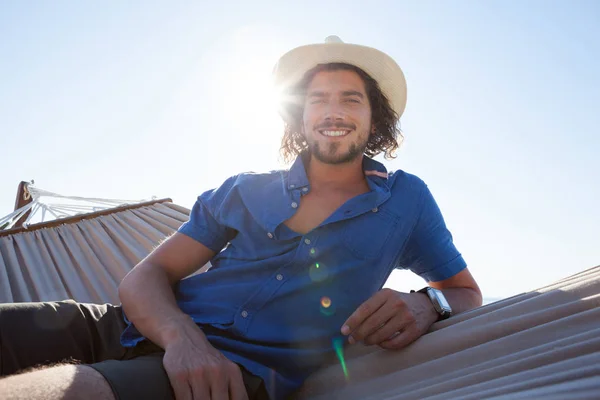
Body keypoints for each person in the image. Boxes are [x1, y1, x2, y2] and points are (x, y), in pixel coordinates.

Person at [0, 36, 482, 400]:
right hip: (117, 325)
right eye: (317, 99)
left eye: (351, 99)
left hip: (226, 373)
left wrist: (427, 305)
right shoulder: (246, 189)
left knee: (73, 391)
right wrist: (182, 338)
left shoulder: (407, 200)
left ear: (375, 119)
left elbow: (465, 292)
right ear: (298, 118)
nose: (333, 111)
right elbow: (148, 274)